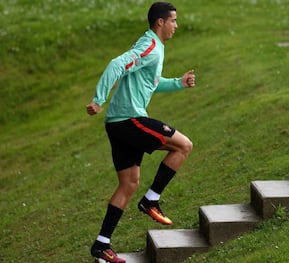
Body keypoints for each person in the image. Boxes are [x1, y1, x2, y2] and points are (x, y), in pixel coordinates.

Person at [86, 2, 195, 262]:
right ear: (160, 22)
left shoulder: (153, 47)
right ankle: (151, 200)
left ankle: (102, 243)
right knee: (183, 145)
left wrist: (178, 83)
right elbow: (116, 64)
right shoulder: (149, 47)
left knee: (129, 183)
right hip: (128, 119)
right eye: (173, 21)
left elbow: (151, 84)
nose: (176, 26)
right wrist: (98, 99)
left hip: (117, 122)